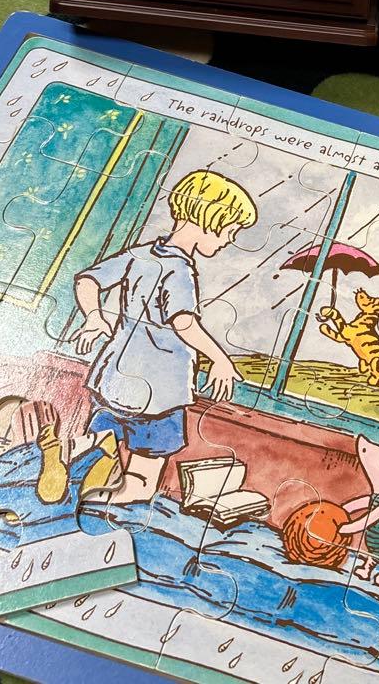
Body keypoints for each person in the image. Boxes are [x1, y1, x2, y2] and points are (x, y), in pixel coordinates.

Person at [66, 168, 258, 504]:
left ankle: (74, 495)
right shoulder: (180, 270)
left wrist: (94, 317)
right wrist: (220, 359)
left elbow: (87, 280)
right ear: (209, 220)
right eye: (230, 230)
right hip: (161, 394)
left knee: (90, 460)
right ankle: (106, 511)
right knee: (141, 480)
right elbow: (184, 323)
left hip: (112, 382)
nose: (229, 240)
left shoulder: (140, 254)